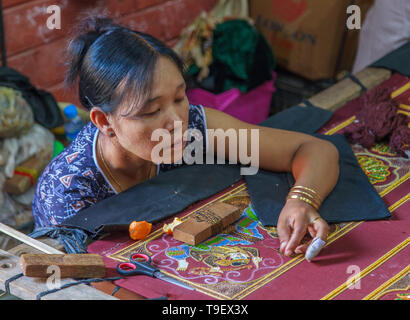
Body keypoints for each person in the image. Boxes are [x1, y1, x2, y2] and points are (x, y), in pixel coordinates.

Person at [32, 14, 339, 258]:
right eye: (152, 111)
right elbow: (81, 284)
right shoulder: (67, 191)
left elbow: (311, 150)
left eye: (179, 98)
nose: (176, 121)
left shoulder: (192, 125)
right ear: (104, 121)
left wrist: (301, 201)